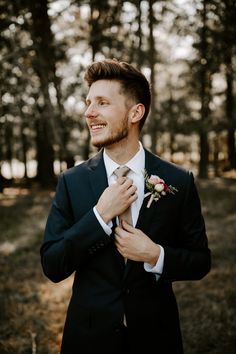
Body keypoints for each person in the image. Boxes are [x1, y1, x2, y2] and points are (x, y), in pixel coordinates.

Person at [40, 58, 211, 354]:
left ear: (136, 112)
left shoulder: (178, 180)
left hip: (156, 338)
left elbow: (200, 261)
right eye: (88, 102)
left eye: (102, 103)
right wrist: (100, 215)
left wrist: (155, 254)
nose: (89, 112)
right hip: (89, 339)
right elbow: (52, 265)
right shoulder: (72, 181)